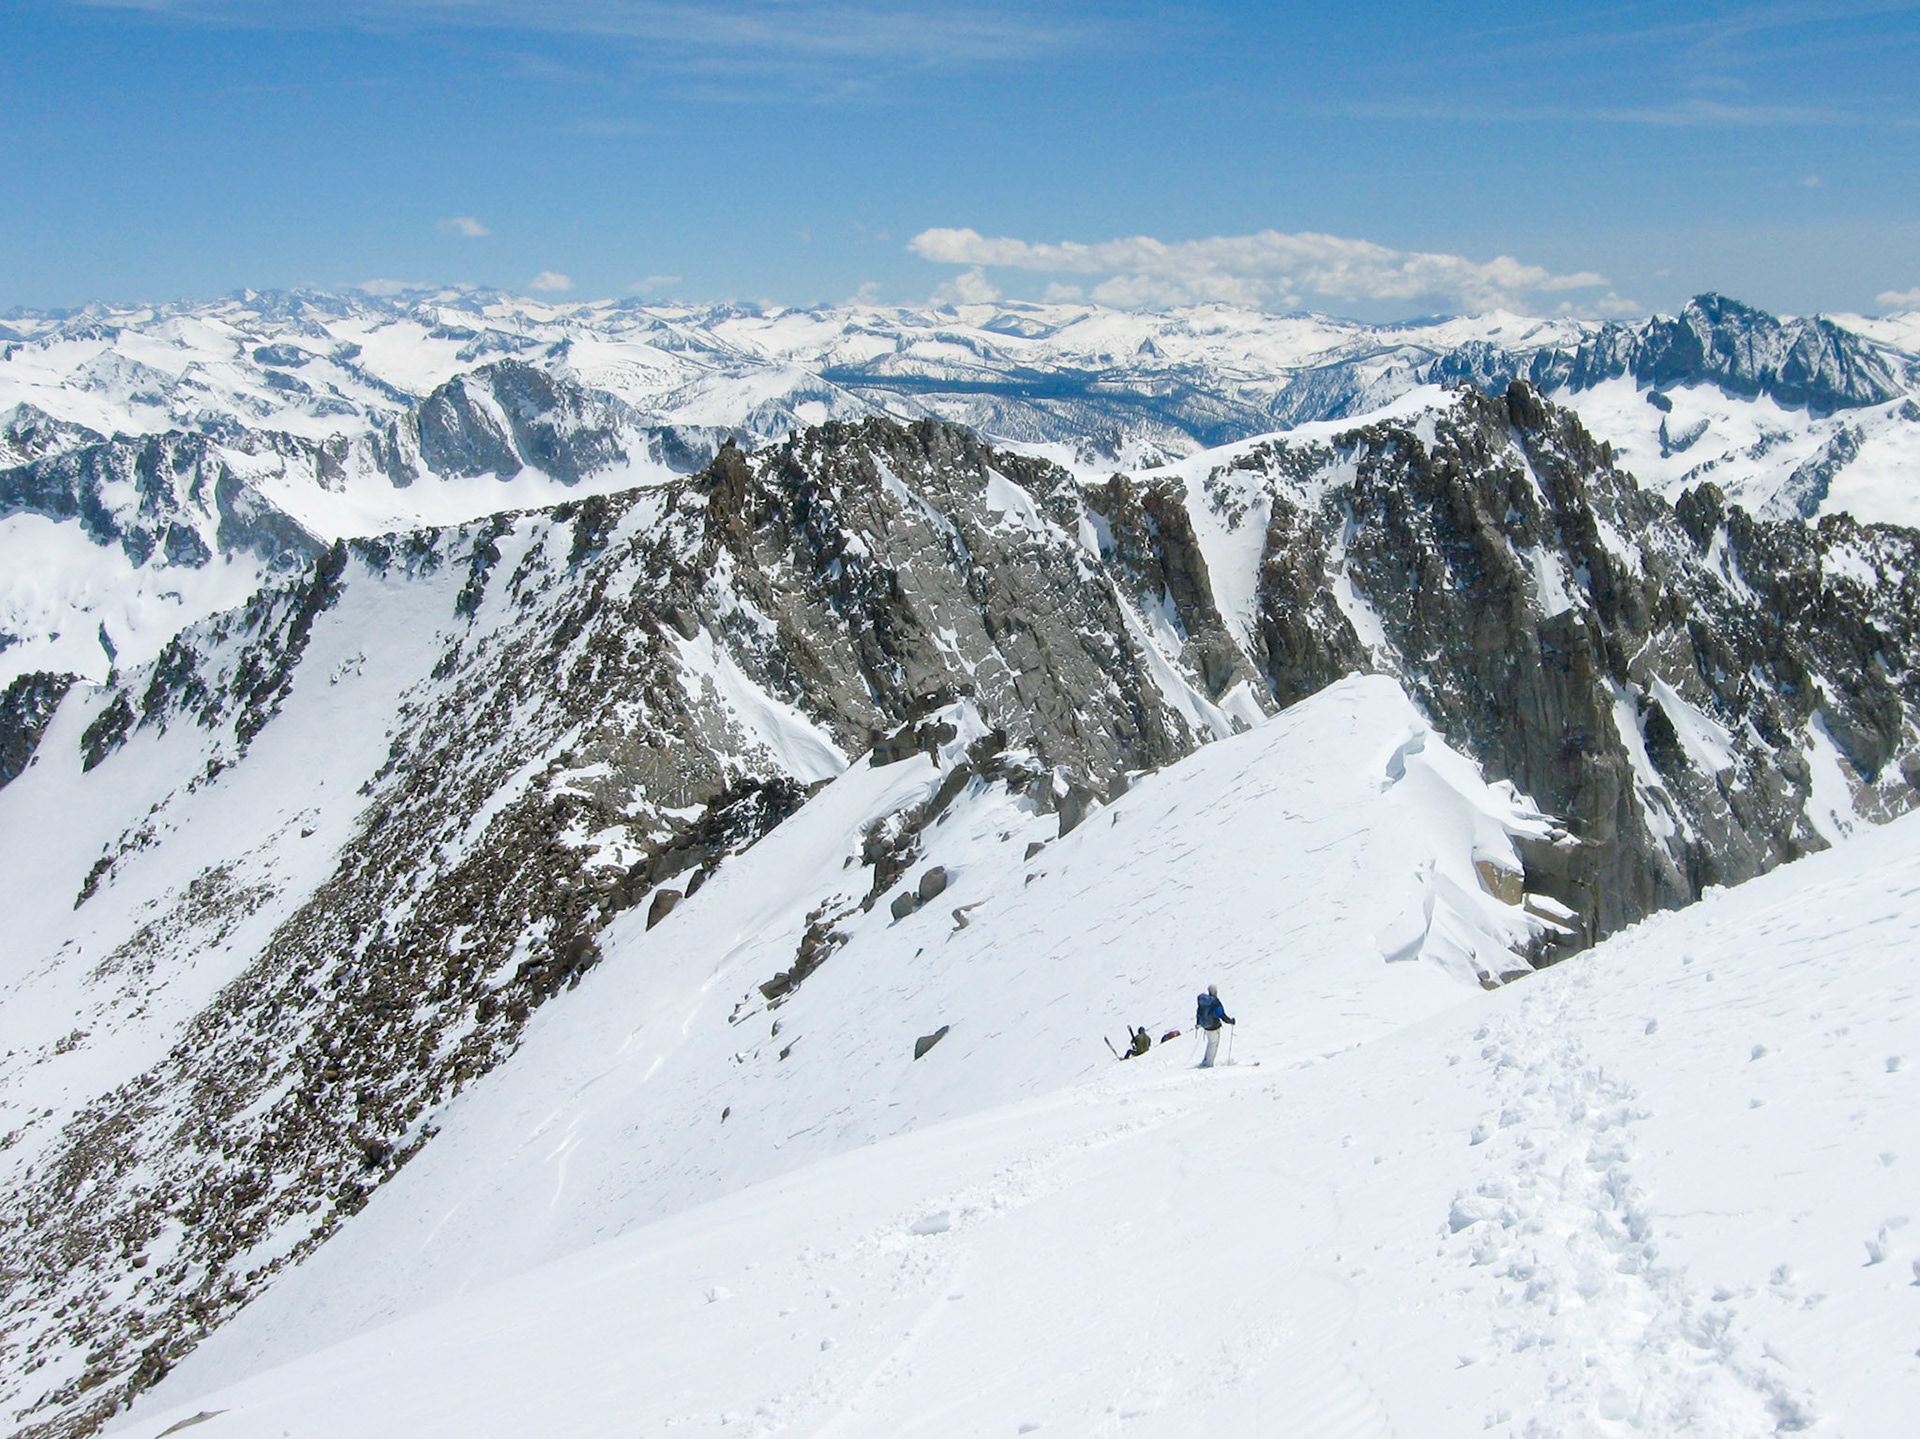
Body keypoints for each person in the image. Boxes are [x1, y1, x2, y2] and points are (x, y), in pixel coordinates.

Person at [1194, 984, 1234, 1067]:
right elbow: (1221, 1014)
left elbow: (1198, 1012)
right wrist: (1230, 1021)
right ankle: (1208, 1063)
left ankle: (1206, 1060)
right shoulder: (1215, 1002)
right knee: (1213, 1044)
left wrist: (1198, 1024)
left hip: (1206, 1026)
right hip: (1214, 1026)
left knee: (1210, 1043)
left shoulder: (1204, 1002)